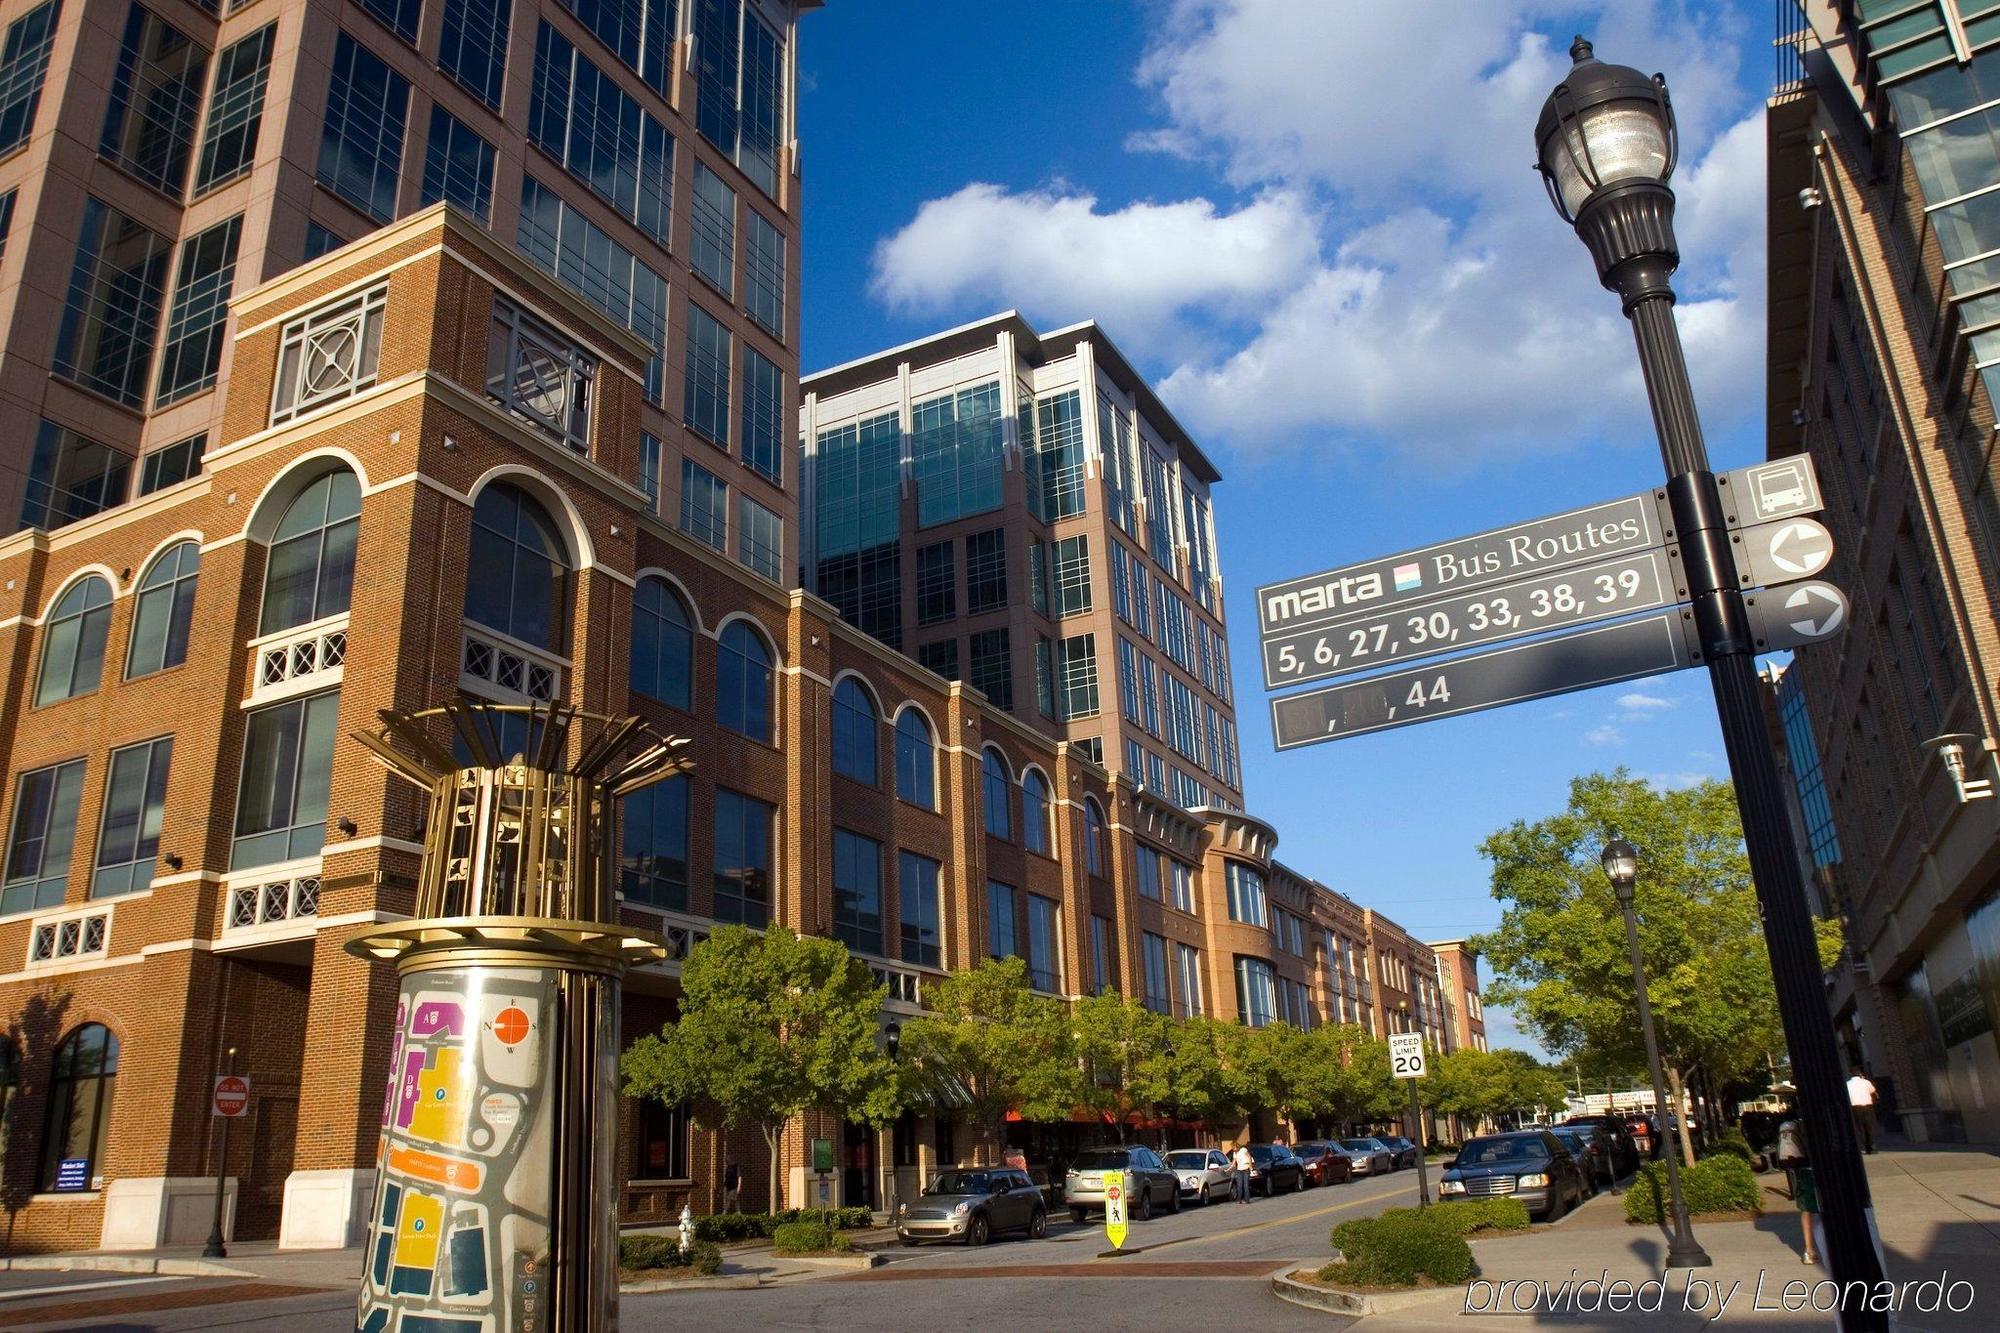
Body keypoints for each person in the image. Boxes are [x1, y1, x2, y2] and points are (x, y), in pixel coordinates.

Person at [1776, 1113, 1819, 1266]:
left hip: (1801, 1168)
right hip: (1817, 1168)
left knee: (1806, 1210)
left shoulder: (1792, 1125)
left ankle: (1809, 1250)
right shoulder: (1816, 1121)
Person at [1846, 1066, 1878, 1154]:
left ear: (1850, 1074)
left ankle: (1865, 1146)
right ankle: (1870, 1146)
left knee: (1859, 1127)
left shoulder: (1847, 1084)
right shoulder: (1866, 1082)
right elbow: (1872, 1090)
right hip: (1867, 1106)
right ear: (1860, 1073)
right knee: (1869, 1126)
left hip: (1855, 1107)